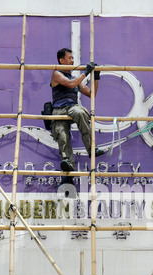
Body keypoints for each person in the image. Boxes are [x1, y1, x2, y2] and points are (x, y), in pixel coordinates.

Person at [50, 48, 104, 182]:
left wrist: (96, 77)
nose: (72, 60)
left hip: (72, 107)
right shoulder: (56, 73)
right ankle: (67, 163)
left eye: (73, 58)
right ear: (61, 60)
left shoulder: (76, 78)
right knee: (62, 135)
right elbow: (70, 84)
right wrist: (86, 72)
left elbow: (91, 94)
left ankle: (91, 148)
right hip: (59, 108)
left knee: (80, 112)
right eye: (69, 58)